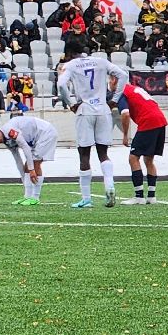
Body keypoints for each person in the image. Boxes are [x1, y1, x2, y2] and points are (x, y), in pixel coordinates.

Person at [55, 38, 128, 208]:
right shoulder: (100, 61)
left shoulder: (71, 65)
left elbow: (61, 84)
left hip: (85, 110)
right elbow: (123, 75)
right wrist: (115, 100)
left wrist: (71, 103)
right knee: (103, 152)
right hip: (103, 109)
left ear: (69, 53)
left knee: (84, 153)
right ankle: (109, 186)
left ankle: (86, 198)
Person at [0, 113, 57, 205]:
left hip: (45, 133)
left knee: (35, 164)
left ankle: (35, 198)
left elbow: (25, 148)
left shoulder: (9, 131)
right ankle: (27, 197)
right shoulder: (6, 141)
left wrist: (32, 170)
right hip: (37, 138)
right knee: (27, 166)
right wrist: (24, 178)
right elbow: (17, 159)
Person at [117, 81, 168, 204]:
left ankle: (139, 196)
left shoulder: (122, 93)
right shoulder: (135, 89)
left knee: (133, 158)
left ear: (115, 80)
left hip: (148, 122)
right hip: (160, 119)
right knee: (148, 159)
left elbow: (125, 114)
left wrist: (125, 135)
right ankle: (151, 196)